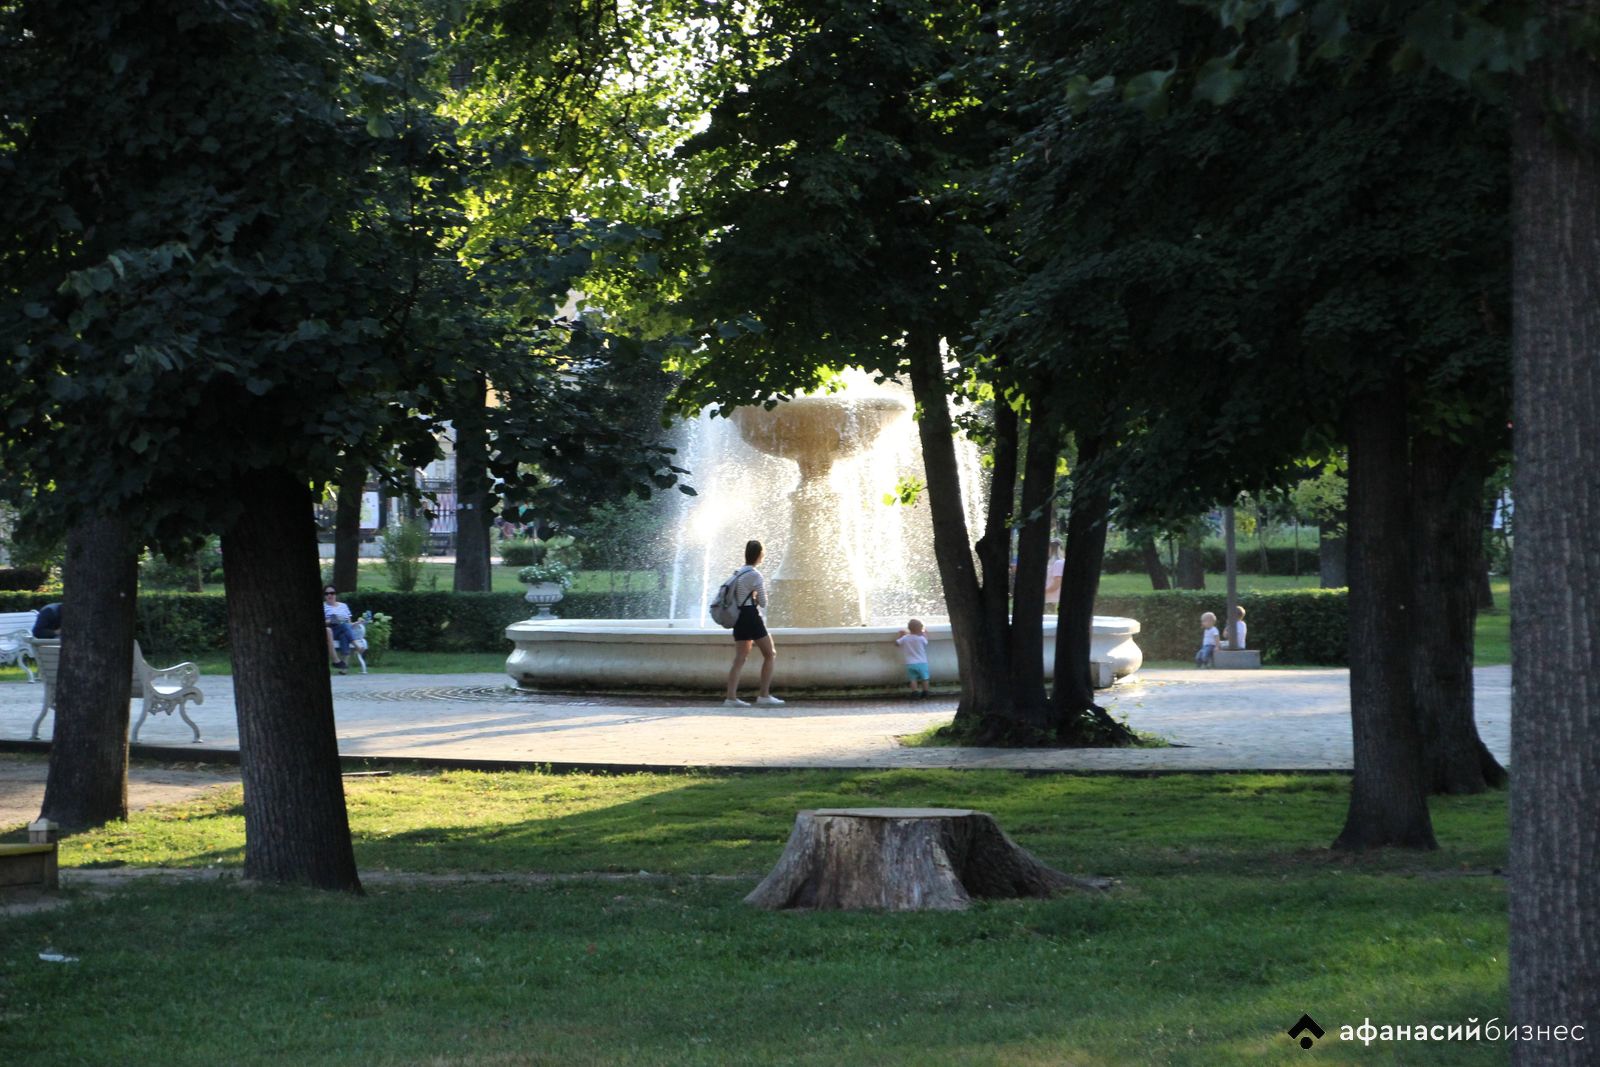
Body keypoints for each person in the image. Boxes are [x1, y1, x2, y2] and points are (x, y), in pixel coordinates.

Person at [724, 540, 783, 707]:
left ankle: (731, 697)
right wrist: (757, 596)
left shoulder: (738, 572)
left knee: (739, 658)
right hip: (751, 616)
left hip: (739, 617)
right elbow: (763, 602)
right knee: (770, 654)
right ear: (759, 555)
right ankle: (764, 694)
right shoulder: (755, 575)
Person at [895, 618, 931, 698]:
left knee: (913, 679)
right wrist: (925, 634)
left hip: (910, 663)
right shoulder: (921, 638)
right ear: (920, 630)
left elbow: (897, 643)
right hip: (922, 662)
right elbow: (926, 643)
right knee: (925, 678)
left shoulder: (905, 638)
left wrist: (901, 635)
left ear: (909, 629)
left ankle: (915, 692)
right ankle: (925, 692)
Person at [323, 586, 355, 673]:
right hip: (331, 630)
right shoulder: (323, 606)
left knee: (344, 634)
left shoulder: (344, 606)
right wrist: (332, 620)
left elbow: (349, 622)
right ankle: (356, 644)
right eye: (327, 594)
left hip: (343, 629)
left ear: (335, 594)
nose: (330, 595)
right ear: (324, 596)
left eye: (332, 593)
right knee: (343, 625)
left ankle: (344, 667)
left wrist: (356, 623)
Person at [1044, 540, 1065, 612]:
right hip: (1049, 600)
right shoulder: (1053, 563)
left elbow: (1057, 583)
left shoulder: (1059, 563)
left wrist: (1042, 592)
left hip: (1052, 601)